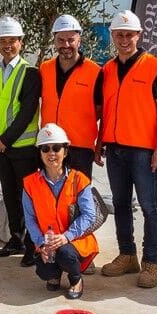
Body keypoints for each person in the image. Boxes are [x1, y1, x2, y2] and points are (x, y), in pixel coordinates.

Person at [94, 10, 157, 288]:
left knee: (150, 206)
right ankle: (128, 255)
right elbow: (105, 110)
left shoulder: (155, 66)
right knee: (121, 204)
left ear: (139, 35)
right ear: (112, 36)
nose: (124, 39)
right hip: (114, 149)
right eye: (119, 34)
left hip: (143, 150)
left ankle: (150, 262)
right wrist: (99, 141)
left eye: (129, 34)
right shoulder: (108, 69)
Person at [0, 16, 42, 266]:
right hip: (3, 150)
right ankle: (15, 238)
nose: (7, 45)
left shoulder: (30, 73)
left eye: (12, 41)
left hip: (24, 149)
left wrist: (5, 140)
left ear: (21, 43)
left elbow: (27, 111)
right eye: (3, 40)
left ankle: (33, 245)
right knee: (9, 195)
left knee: (29, 199)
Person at [22, 124, 99, 299]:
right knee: (44, 271)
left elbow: (89, 215)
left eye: (56, 148)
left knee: (65, 253)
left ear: (65, 150)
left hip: (74, 242)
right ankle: (54, 275)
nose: (51, 153)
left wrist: (66, 237)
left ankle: (75, 278)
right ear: (39, 153)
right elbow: (30, 219)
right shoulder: (29, 184)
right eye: (45, 148)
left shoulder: (79, 180)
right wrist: (42, 244)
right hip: (47, 242)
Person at [39, 14, 100, 176]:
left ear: (79, 40)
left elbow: (101, 110)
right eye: (61, 40)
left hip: (81, 147)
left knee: (79, 197)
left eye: (71, 40)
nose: (66, 44)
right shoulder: (45, 69)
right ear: (54, 40)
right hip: (50, 145)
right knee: (51, 197)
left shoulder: (94, 71)